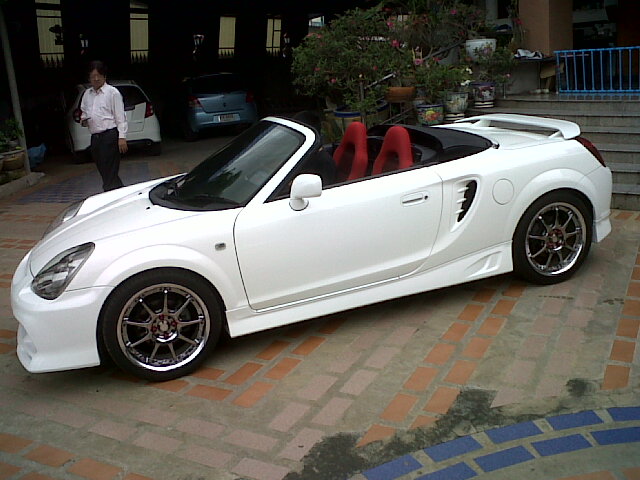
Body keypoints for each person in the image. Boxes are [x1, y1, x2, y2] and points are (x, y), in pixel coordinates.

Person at [80, 60, 127, 191]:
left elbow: (120, 116)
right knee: (104, 171)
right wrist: (84, 120)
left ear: (104, 76)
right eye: (92, 76)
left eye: (98, 76)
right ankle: (121, 192)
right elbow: (84, 113)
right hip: (95, 138)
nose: (96, 79)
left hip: (109, 136)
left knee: (110, 170)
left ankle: (109, 194)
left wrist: (122, 137)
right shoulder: (87, 94)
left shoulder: (112, 93)